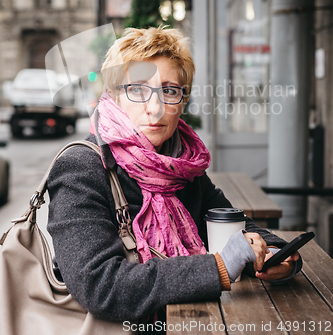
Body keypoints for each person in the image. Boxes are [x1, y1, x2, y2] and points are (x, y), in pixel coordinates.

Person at [47, 26, 301, 330]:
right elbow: (101, 286)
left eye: (169, 91)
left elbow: (241, 229)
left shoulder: (182, 168)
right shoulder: (82, 168)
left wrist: (277, 256)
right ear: (113, 95)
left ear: (182, 101)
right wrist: (219, 267)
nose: (155, 108)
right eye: (138, 90)